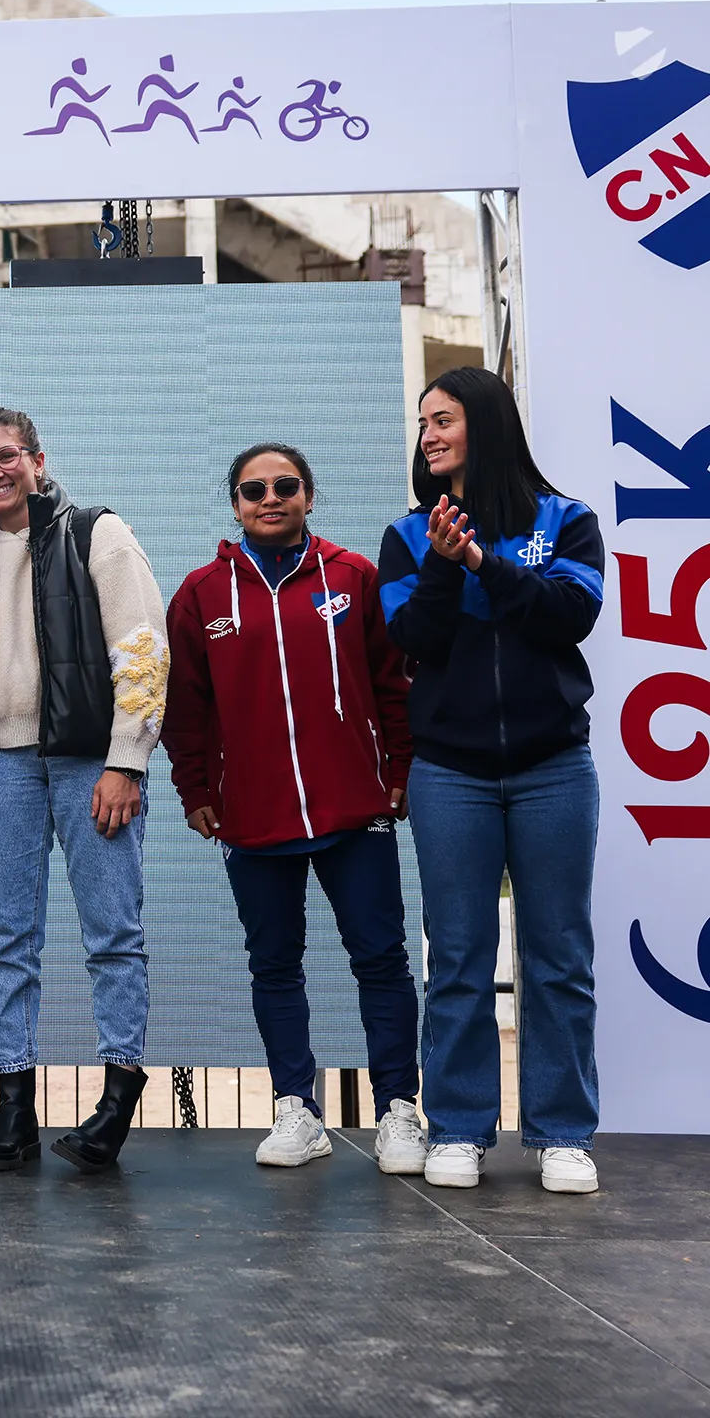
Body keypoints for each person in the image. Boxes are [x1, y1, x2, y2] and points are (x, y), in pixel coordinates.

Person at [164, 443, 426, 1175]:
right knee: (274, 964)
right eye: (254, 490)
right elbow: (185, 709)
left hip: (355, 810)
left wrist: (399, 768)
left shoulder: (354, 576)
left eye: (285, 485)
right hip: (253, 816)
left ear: (309, 495)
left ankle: (398, 1110)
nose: (270, 499)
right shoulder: (201, 595)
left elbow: (394, 683)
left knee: (381, 960)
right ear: (236, 505)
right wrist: (196, 790)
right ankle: (296, 1110)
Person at [379, 368, 604, 1195]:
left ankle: (562, 1134)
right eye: (423, 423)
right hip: (451, 773)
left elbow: (570, 617)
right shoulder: (408, 535)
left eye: (442, 419)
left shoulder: (567, 520)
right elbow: (415, 640)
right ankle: (459, 1129)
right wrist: (447, 565)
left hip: (554, 769)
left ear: (487, 421)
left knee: (559, 957)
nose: (429, 435)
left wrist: (483, 559)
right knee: (460, 958)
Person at [0, 408, 168, 1174]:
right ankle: (15, 1109)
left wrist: (127, 760)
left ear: (38, 460)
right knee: (4, 938)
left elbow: (143, 649)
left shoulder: (96, 533)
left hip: (91, 762)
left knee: (113, 935)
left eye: (7, 456)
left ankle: (118, 1098)